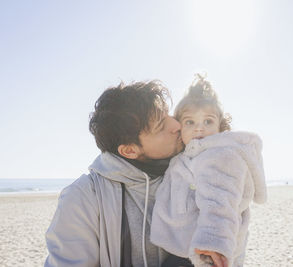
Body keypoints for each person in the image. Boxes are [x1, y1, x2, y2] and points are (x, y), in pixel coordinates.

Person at [45, 80, 185, 267]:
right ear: (129, 151)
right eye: (161, 126)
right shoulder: (83, 198)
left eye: (168, 114)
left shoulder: (190, 174)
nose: (176, 125)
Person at [150, 75, 267, 267]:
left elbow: (220, 201)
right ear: (179, 126)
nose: (199, 129)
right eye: (190, 122)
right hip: (186, 248)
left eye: (208, 121)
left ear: (221, 126)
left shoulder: (219, 155)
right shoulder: (190, 156)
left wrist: (212, 245)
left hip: (204, 250)